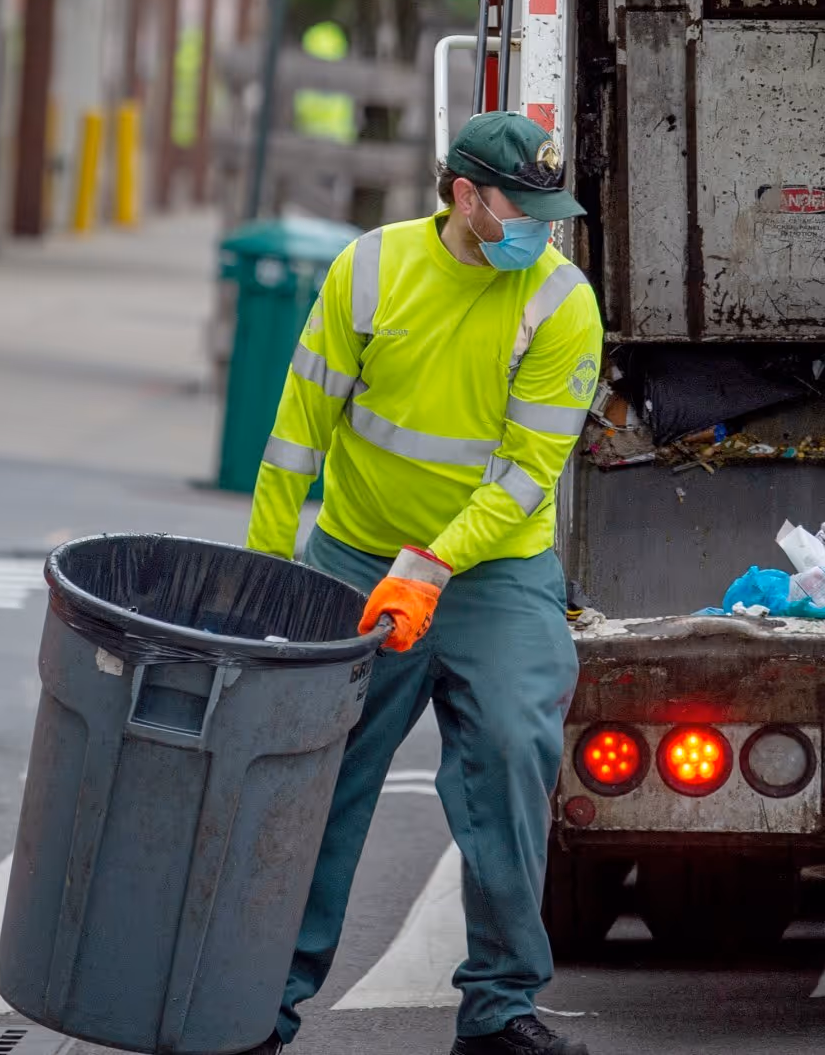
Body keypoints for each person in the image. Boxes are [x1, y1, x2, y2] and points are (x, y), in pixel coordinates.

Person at [243, 111, 602, 1055]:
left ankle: (500, 1008)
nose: (539, 228)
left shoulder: (562, 304)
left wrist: (434, 567)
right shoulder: (370, 270)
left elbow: (529, 472)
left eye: (548, 212)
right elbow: (298, 425)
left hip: (493, 573)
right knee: (314, 780)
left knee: (518, 752)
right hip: (357, 561)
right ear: (464, 196)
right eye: (520, 209)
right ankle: (256, 1009)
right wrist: (270, 565)